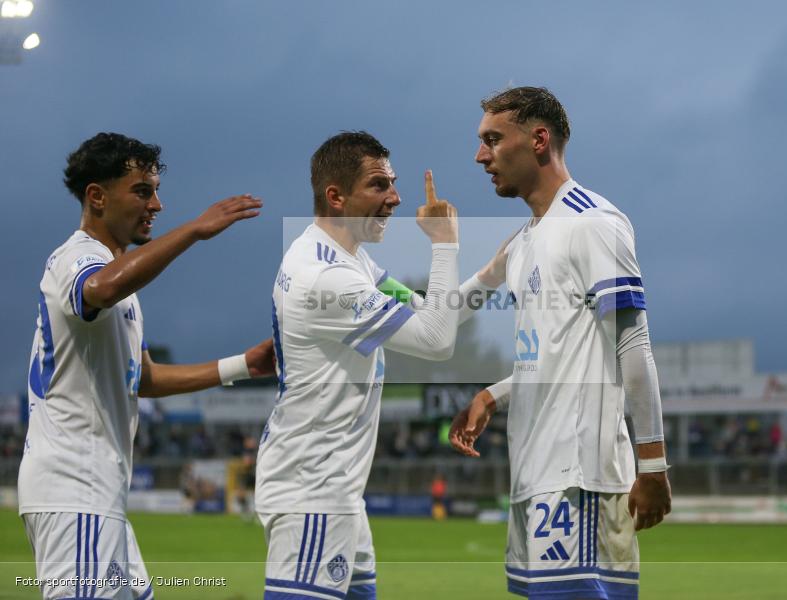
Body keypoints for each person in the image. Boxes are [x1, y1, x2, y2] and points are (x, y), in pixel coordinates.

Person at [18, 132, 276, 600]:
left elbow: (146, 378)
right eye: (142, 191)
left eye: (156, 190)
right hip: (72, 488)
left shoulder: (118, 278)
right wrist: (195, 231)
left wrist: (244, 364)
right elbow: (98, 289)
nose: (156, 204)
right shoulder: (78, 258)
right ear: (97, 196)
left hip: (98, 494)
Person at [256, 131, 504, 600]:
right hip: (313, 490)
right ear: (336, 195)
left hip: (335, 489)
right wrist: (444, 244)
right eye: (378, 185)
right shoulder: (328, 278)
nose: (395, 197)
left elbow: (434, 313)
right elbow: (437, 340)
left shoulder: (349, 262)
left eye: (392, 183)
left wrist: (494, 272)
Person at [449, 87, 671, 599]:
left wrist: (653, 465)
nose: (481, 156)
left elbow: (632, 348)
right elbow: (554, 352)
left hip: (578, 478)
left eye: (493, 140)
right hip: (534, 471)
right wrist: (492, 395)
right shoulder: (524, 241)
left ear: (539, 140)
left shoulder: (592, 223)